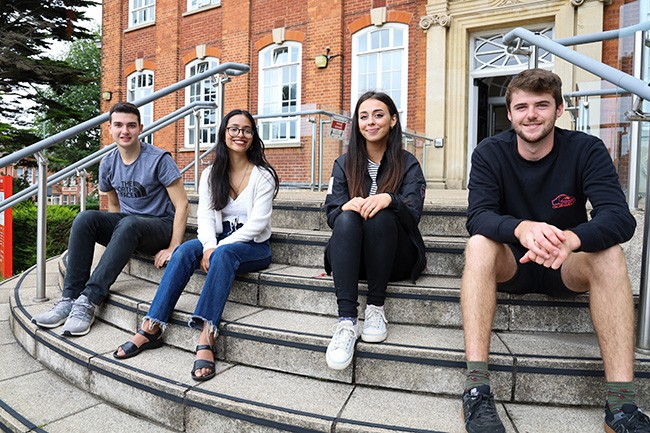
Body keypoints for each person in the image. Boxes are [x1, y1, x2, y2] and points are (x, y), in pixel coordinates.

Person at [461, 68, 648, 433]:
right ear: (510, 113)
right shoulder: (489, 153)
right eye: (522, 107)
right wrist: (521, 228)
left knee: (609, 253)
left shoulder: (585, 149)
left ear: (559, 108)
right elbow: (478, 216)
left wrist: (572, 239)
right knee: (479, 245)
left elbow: (619, 218)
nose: (531, 114)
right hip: (513, 263)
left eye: (542, 105)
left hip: (566, 264)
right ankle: (476, 389)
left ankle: (621, 405)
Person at [113, 109, 279, 382]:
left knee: (224, 254)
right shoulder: (210, 173)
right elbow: (204, 217)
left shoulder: (263, 175)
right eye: (234, 128)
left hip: (253, 245)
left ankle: (207, 334)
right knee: (184, 251)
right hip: (218, 239)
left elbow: (258, 224)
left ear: (253, 136)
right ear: (224, 133)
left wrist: (216, 248)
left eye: (247, 130)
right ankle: (152, 325)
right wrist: (208, 245)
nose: (240, 134)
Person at [32, 102, 189, 337]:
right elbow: (114, 205)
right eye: (118, 125)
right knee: (86, 218)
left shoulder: (158, 159)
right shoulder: (108, 162)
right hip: (130, 225)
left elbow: (182, 204)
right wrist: (120, 245)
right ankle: (70, 298)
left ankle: (89, 301)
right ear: (110, 128)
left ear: (140, 128)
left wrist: (174, 246)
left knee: (129, 222)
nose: (124, 131)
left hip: (160, 226)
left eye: (130, 126)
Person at [322, 91, 427, 371]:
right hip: (351, 259)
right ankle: (346, 323)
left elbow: (413, 213)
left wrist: (390, 199)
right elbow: (331, 213)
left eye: (378, 115)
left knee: (381, 216)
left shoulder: (408, 163)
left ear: (393, 120)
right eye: (364, 116)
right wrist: (348, 206)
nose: (371, 122)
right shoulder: (343, 164)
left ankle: (376, 308)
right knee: (347, 218)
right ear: (357, 123)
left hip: (394, 258)